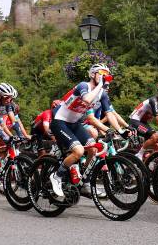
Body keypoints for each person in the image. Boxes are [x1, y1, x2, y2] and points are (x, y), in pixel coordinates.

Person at [49, 63, 115, 198]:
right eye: (101, 73)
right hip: (60, 121)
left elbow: (110, 114)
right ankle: (57, 176)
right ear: (92, 74)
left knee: (93, 149)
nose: (104, 76)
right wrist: (100, 86)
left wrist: (119, 130)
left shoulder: (102, 93)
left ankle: (84, 180)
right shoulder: (83, 86)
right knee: (78, 151)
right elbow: (87, 99)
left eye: (106, 74)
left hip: (74, 123)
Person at [130, 82, 158, 161]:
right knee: (155, 136)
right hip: (135, 121)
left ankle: (145, 164)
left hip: (142, 123)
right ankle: (139, 154)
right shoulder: (154, 101)